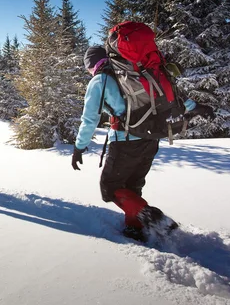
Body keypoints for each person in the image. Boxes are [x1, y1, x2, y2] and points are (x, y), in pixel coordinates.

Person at [72, 45, 215, 241]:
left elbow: (89, 119)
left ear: (92, 64)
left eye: (88, 68)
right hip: (151, 138)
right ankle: (134, 228)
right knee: (132, 186)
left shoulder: (99, 80)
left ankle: (153, 217)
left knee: (111, 188)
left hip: (125, 142)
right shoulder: (136, 72)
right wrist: (195, 106)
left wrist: (79, 147)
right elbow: (166, 94)